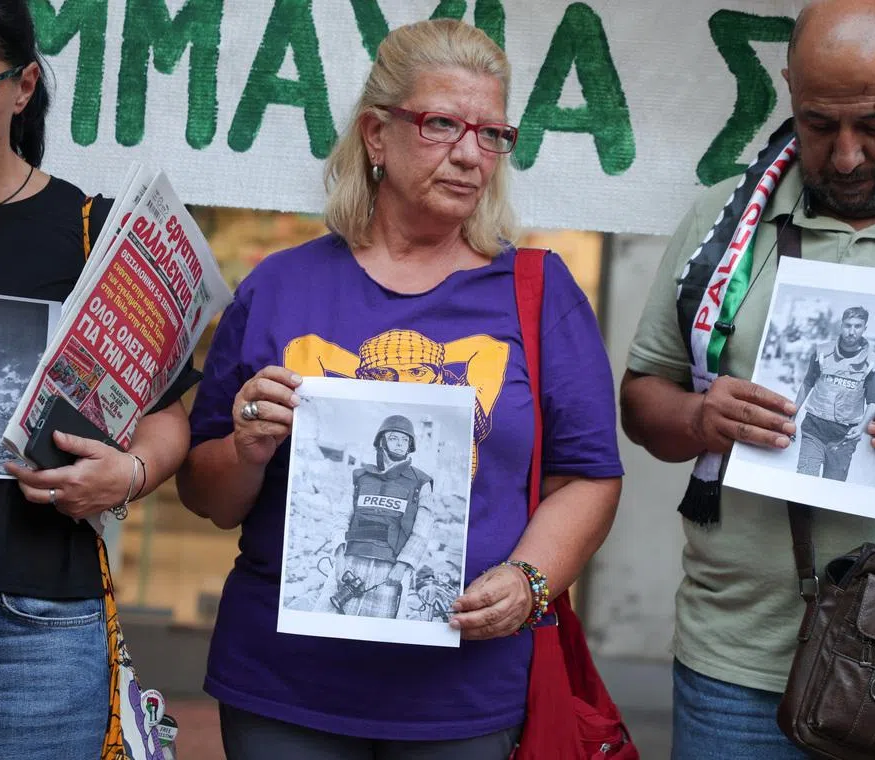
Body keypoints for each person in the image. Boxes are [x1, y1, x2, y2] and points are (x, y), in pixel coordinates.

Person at [177, 18, 623, 760]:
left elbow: (589, 475)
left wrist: (528, 581)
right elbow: (206, 495)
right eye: (443, 123)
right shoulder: (280, 289)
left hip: (465, 689)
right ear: (376, 135)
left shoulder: (539, 293)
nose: (470, 154)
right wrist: (249, 446)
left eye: (491, 135)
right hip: (286, 684)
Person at [619, 1, 875, 757]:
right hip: (738, 659)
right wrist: (703, 420)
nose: (843, 157)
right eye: (817, 124)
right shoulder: (723, 224)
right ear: (787, 90)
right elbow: (643, 401)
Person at [0, 1, 195, 756]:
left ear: (22, 86)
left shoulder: (93, 233)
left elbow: (169, 417)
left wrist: (128, 472)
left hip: (29, 631)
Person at [315, 415, 434, 618]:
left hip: (390, 571)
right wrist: (339, 558)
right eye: (394, 438)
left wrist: (402, 566)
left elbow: (422, 532)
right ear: (381, 441)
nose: (400, 444)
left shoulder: (421, 483)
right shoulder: (360, 477)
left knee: (380, 635)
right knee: (327, 620)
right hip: (350, 563)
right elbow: (342, 517)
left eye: (405, 440)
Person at [792, 305, 875, 480]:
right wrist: (793, 413)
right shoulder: (821, 352)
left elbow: (873, 401)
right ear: (841, 325)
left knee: (831, 489)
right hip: (814, 429)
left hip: (844, 437)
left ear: (865, 328)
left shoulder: (873, 362)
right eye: (848, 325)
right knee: (803, 481)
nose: (851, 331)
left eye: (857, 326)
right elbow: (807, 383)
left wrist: (861, 427)